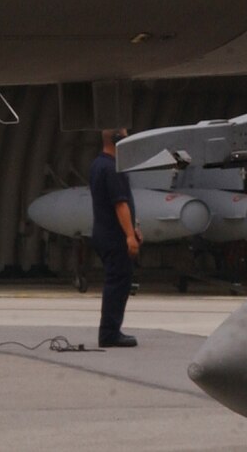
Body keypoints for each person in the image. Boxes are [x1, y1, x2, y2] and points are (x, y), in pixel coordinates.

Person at [88, 127, 141, 348]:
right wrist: (130, 235)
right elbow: (120, 204)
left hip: (103, 232)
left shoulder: (98, 164)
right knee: (118, 281)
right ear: (118, 140)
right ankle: (109, 333)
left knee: (117, 280)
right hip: (114, 235)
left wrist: (134, 228)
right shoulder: (113, 168)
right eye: (126, 136)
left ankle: (111, 330)